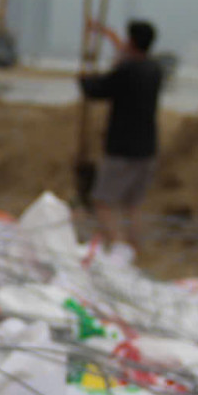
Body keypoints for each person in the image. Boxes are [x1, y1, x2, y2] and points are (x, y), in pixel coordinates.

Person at [78, 18, 164, 254]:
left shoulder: (127, 70)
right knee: (133, 205)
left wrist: (84, 75)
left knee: (102, 201)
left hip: (122, 149)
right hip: (147, 149)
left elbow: (96, 89)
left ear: (132, 41)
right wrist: (107, 34)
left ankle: (119, 247)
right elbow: (124, 63)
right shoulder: (154, 70)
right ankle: (134, 248)